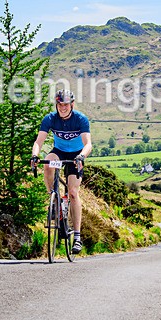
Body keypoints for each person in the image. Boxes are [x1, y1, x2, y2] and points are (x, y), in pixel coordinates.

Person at [31, 89, 92, 254]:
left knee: (73, 192)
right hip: (59, 151)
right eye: (60, 104)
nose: (63, 108)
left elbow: (88, 144)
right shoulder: (50, 119)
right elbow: (39, 141)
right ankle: (54, 199)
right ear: (56, 104)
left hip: (76, 155)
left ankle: (77, 236)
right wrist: (34, 156)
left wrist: (81, 157)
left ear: (72, 104)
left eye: (66, 104)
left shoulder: (80, 119)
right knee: (48, 164)